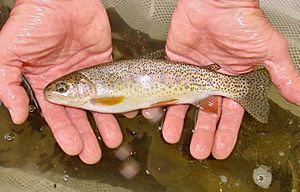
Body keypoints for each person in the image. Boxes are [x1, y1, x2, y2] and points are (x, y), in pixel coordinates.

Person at [0, 0, 299, 164]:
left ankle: (243, 87)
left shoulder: (98, 98)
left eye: (63, 88)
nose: (57, 93)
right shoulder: (93, 92)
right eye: (61, 89)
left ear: (80, 86)